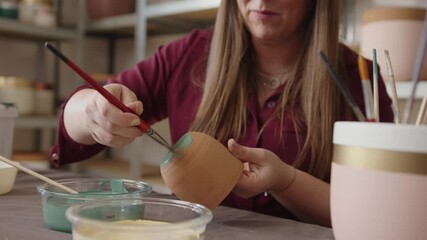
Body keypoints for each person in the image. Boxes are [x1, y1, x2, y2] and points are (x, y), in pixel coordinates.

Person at [49, 0, 393, 227]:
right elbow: (75, 120)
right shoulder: (189, 55)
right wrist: (92, 112)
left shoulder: (359, 82)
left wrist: (285, 181)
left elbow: (378, 215)